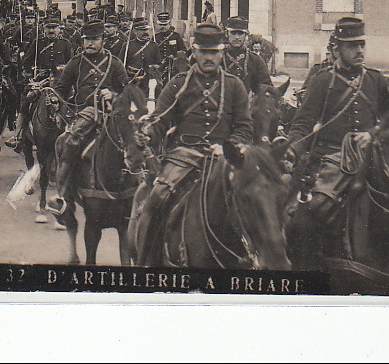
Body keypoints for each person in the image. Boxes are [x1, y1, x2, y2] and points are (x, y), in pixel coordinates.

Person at [132, 23, 253, 265]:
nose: (209, 58)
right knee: (157, 197)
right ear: (194, 52)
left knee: (255, 200)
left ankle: (255, 257)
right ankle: (147, 262)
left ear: (222, 53)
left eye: (215, 52)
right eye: (204, 52)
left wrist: (229, 146)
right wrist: (147, 135)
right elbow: (160, 120)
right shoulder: (178, 84)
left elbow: (245, 128)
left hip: (223, 158)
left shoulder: (234, 85)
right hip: (184, 156)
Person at [282, 17, 389, 270]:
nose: (360, 51)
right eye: (352, 46)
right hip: (331, 162)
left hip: (370, 160)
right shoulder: (322, 81)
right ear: (338, 49)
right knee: (306, 220)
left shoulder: (376, 80)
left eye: (362, 45)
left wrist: (373, 134)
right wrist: (291, 149)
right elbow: (302, 124)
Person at [47, 20, 129, 215]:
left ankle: (135, 193)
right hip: (84, 113)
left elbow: (129, 91)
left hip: (113, 114)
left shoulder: (115, 63)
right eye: (87, 40)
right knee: (67, 143)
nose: (90, 43)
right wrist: (56, 101)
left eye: (95, 39)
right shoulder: (75, 63)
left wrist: (114, 95)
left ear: (103, 40)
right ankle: (64, 197)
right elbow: (61, 89)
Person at [5, 17, 74, 151]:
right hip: (40, 79)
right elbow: (26, 63)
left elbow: (70, 63)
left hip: (60, 79)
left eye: (54, 28)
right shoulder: (37, 43)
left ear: (59, 29)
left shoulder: (66, 43)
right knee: (26, 101)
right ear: (44, 29)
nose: (51, 30)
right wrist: (30, 78)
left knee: (72, 101)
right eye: (48, 28)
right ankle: (18, 136)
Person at [221, 16, 272, 94]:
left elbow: (265, 88)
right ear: (227, 34)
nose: (237, 37)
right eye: (233, 33)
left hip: (246, 104)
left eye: (240, 33)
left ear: (246, 35)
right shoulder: (219, 58)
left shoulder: (255, 60)